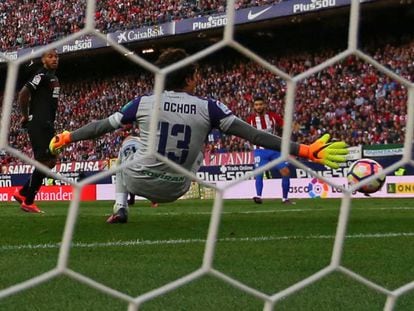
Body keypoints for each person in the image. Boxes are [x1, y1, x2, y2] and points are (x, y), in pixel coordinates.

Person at [49, 48, 348, 223]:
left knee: (127, 142)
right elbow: (255, 136)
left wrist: (68, 137)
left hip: (138, 179)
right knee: (200, 148)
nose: (199, 77)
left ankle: (121, 206)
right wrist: (305, 150)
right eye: (196, 73)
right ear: (190, 78)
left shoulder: (143, 102)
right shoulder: (210, 108)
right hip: (177, 189)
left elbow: (101, 126)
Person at [14, 49, 60, 213]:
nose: (54, 59)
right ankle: (28, 201)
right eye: (50, 56)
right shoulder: (42, 75)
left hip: (46, 123)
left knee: (52, 160)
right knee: (45, 161)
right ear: (43, 60)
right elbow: (23, 94)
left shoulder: (53, 77)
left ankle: (22, 193)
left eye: (56, 56)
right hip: (39, 123)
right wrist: (26, 116)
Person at [246, 96, 293, 205]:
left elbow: (286, 127)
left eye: (260, 104)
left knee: (286, 172)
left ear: (265, 105)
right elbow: (246, 133)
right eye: (256, 105)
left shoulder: (273, 117)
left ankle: (285, 199)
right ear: (254, 106)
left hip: (275, 150)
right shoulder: (251, 120)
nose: (258, 107)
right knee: (259, 173)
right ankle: (258, 196)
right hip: (260, 151)